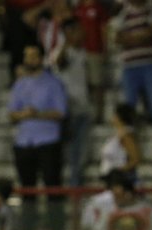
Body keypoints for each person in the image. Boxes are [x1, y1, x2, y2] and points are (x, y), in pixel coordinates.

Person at [7, 44, 68, 230]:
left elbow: (61, 112)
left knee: (52, 187)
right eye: (27, 56)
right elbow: (12, 114)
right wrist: (24, 114)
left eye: (33, 56)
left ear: (41, 58)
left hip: (48, 140)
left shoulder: (53, 83)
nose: (29, 60)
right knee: (27, 190)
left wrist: (37, 114)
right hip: (24, 142)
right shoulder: (20, 84)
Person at [113, 0, 152, 165]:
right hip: (129, 67)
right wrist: (140, 36)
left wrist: (129, 37)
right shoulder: (122, 10)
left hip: (149, 64)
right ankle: (129, 152)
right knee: (127, 113)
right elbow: (117, 38)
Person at [51, 17, 92, 187]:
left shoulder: (82, 53)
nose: (81, 34)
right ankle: (71, 185)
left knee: (80, 149)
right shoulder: (60, 52)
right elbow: (58, 63)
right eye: (76, 30)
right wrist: (65, 43)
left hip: (83, 106)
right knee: (71, 150)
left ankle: (76, 182)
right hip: (68, 108)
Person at [74, 0, 109, 123]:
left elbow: (104, 28)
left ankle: (99, 113)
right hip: (80, 52)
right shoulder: (78, 9)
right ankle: (87, 112)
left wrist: (105, 48)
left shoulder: (98, 8)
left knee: (97, 83)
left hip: (95, 50)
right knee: (85, 83)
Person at [98, 102, 141, 184]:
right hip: (110, 178)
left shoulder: (127, 136)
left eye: (115, 115)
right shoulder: (118, 134)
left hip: (119, 180)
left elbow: (136, 159)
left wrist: (119, 171)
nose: (112, 117)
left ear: (119, 117)